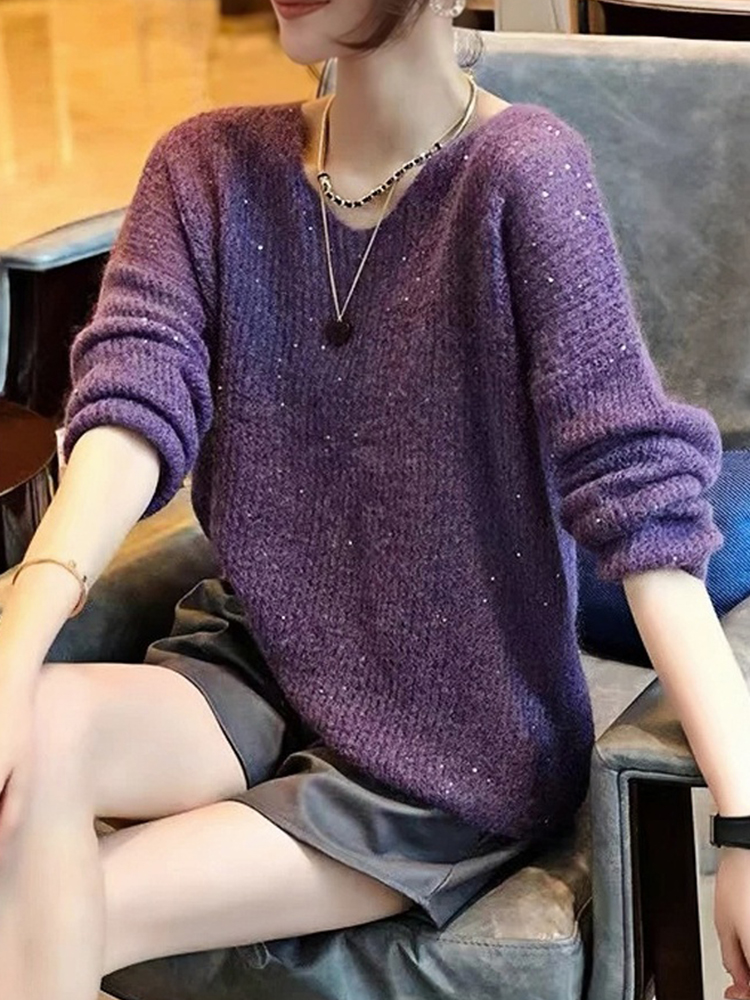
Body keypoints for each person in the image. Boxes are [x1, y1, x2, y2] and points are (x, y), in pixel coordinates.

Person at [1, 1, 750, 998]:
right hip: (256, 656)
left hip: (452, 736)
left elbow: (634, 495)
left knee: (46, 905)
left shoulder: (523, 171)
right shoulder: (207, 166)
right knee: (41, 728)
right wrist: (17, 640)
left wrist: (745, 822)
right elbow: (133, 408)